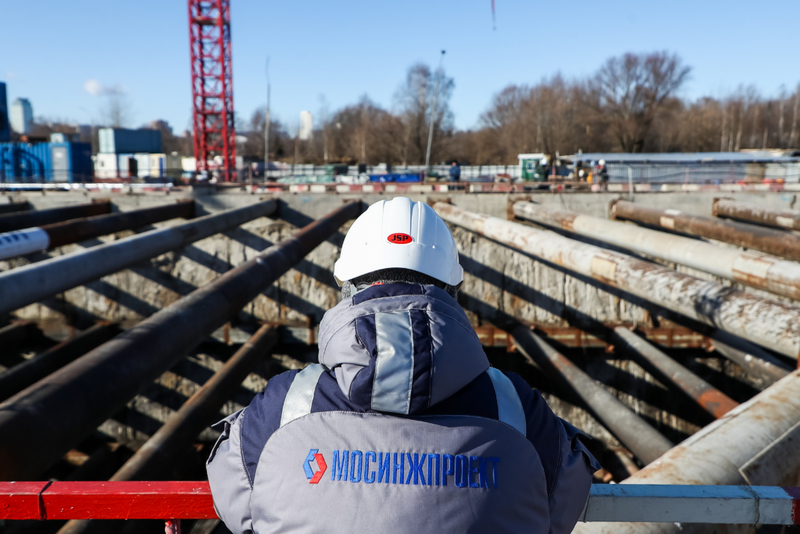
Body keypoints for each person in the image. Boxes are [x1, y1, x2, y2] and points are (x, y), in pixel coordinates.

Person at [206, 197, 598, 534]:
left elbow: (237, 504)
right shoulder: (518, 410)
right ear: (452, 289)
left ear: (346, 287)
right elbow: (562, 504)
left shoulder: (283, 407)